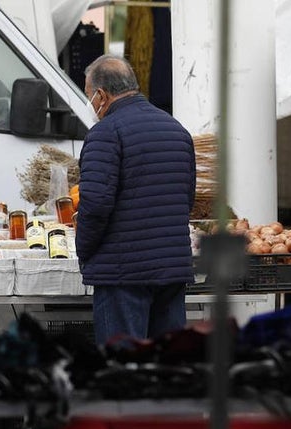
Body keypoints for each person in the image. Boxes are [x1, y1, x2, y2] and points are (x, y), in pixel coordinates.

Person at [75, 54, 196, 347]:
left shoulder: (105, 134)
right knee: (167, 366)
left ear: (101, 95)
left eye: (89, 95)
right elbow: (187, 199)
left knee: (123, 366)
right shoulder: (177, 131)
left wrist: (85, 251)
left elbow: (94, 206)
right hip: (171, 269)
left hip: (123, 273)